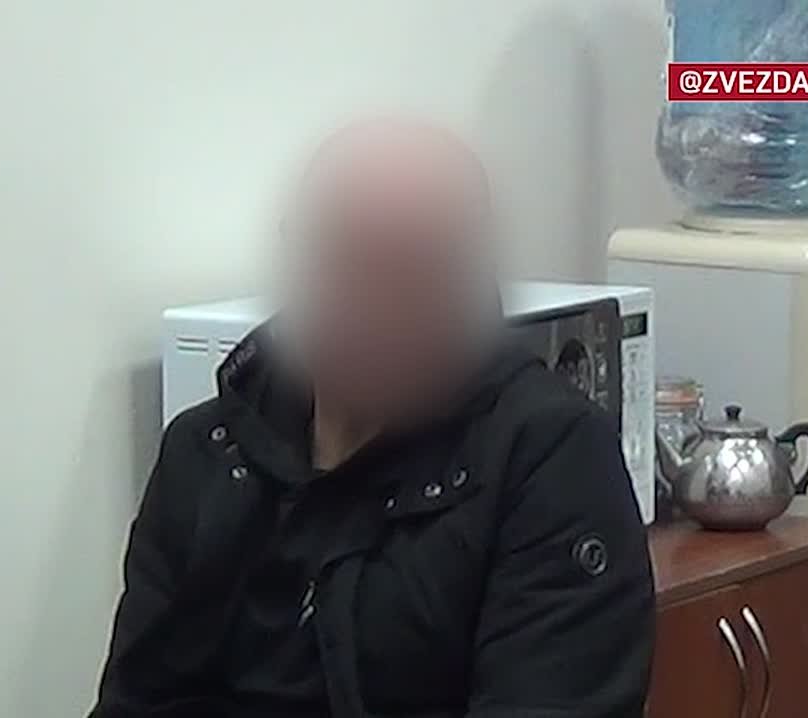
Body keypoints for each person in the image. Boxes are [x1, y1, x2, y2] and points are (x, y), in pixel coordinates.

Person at [90, 118, 654, 718]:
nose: (380, 310)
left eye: (417, 273)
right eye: (349, 263)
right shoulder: (208, 452)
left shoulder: (548, 457)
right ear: (295, 262)